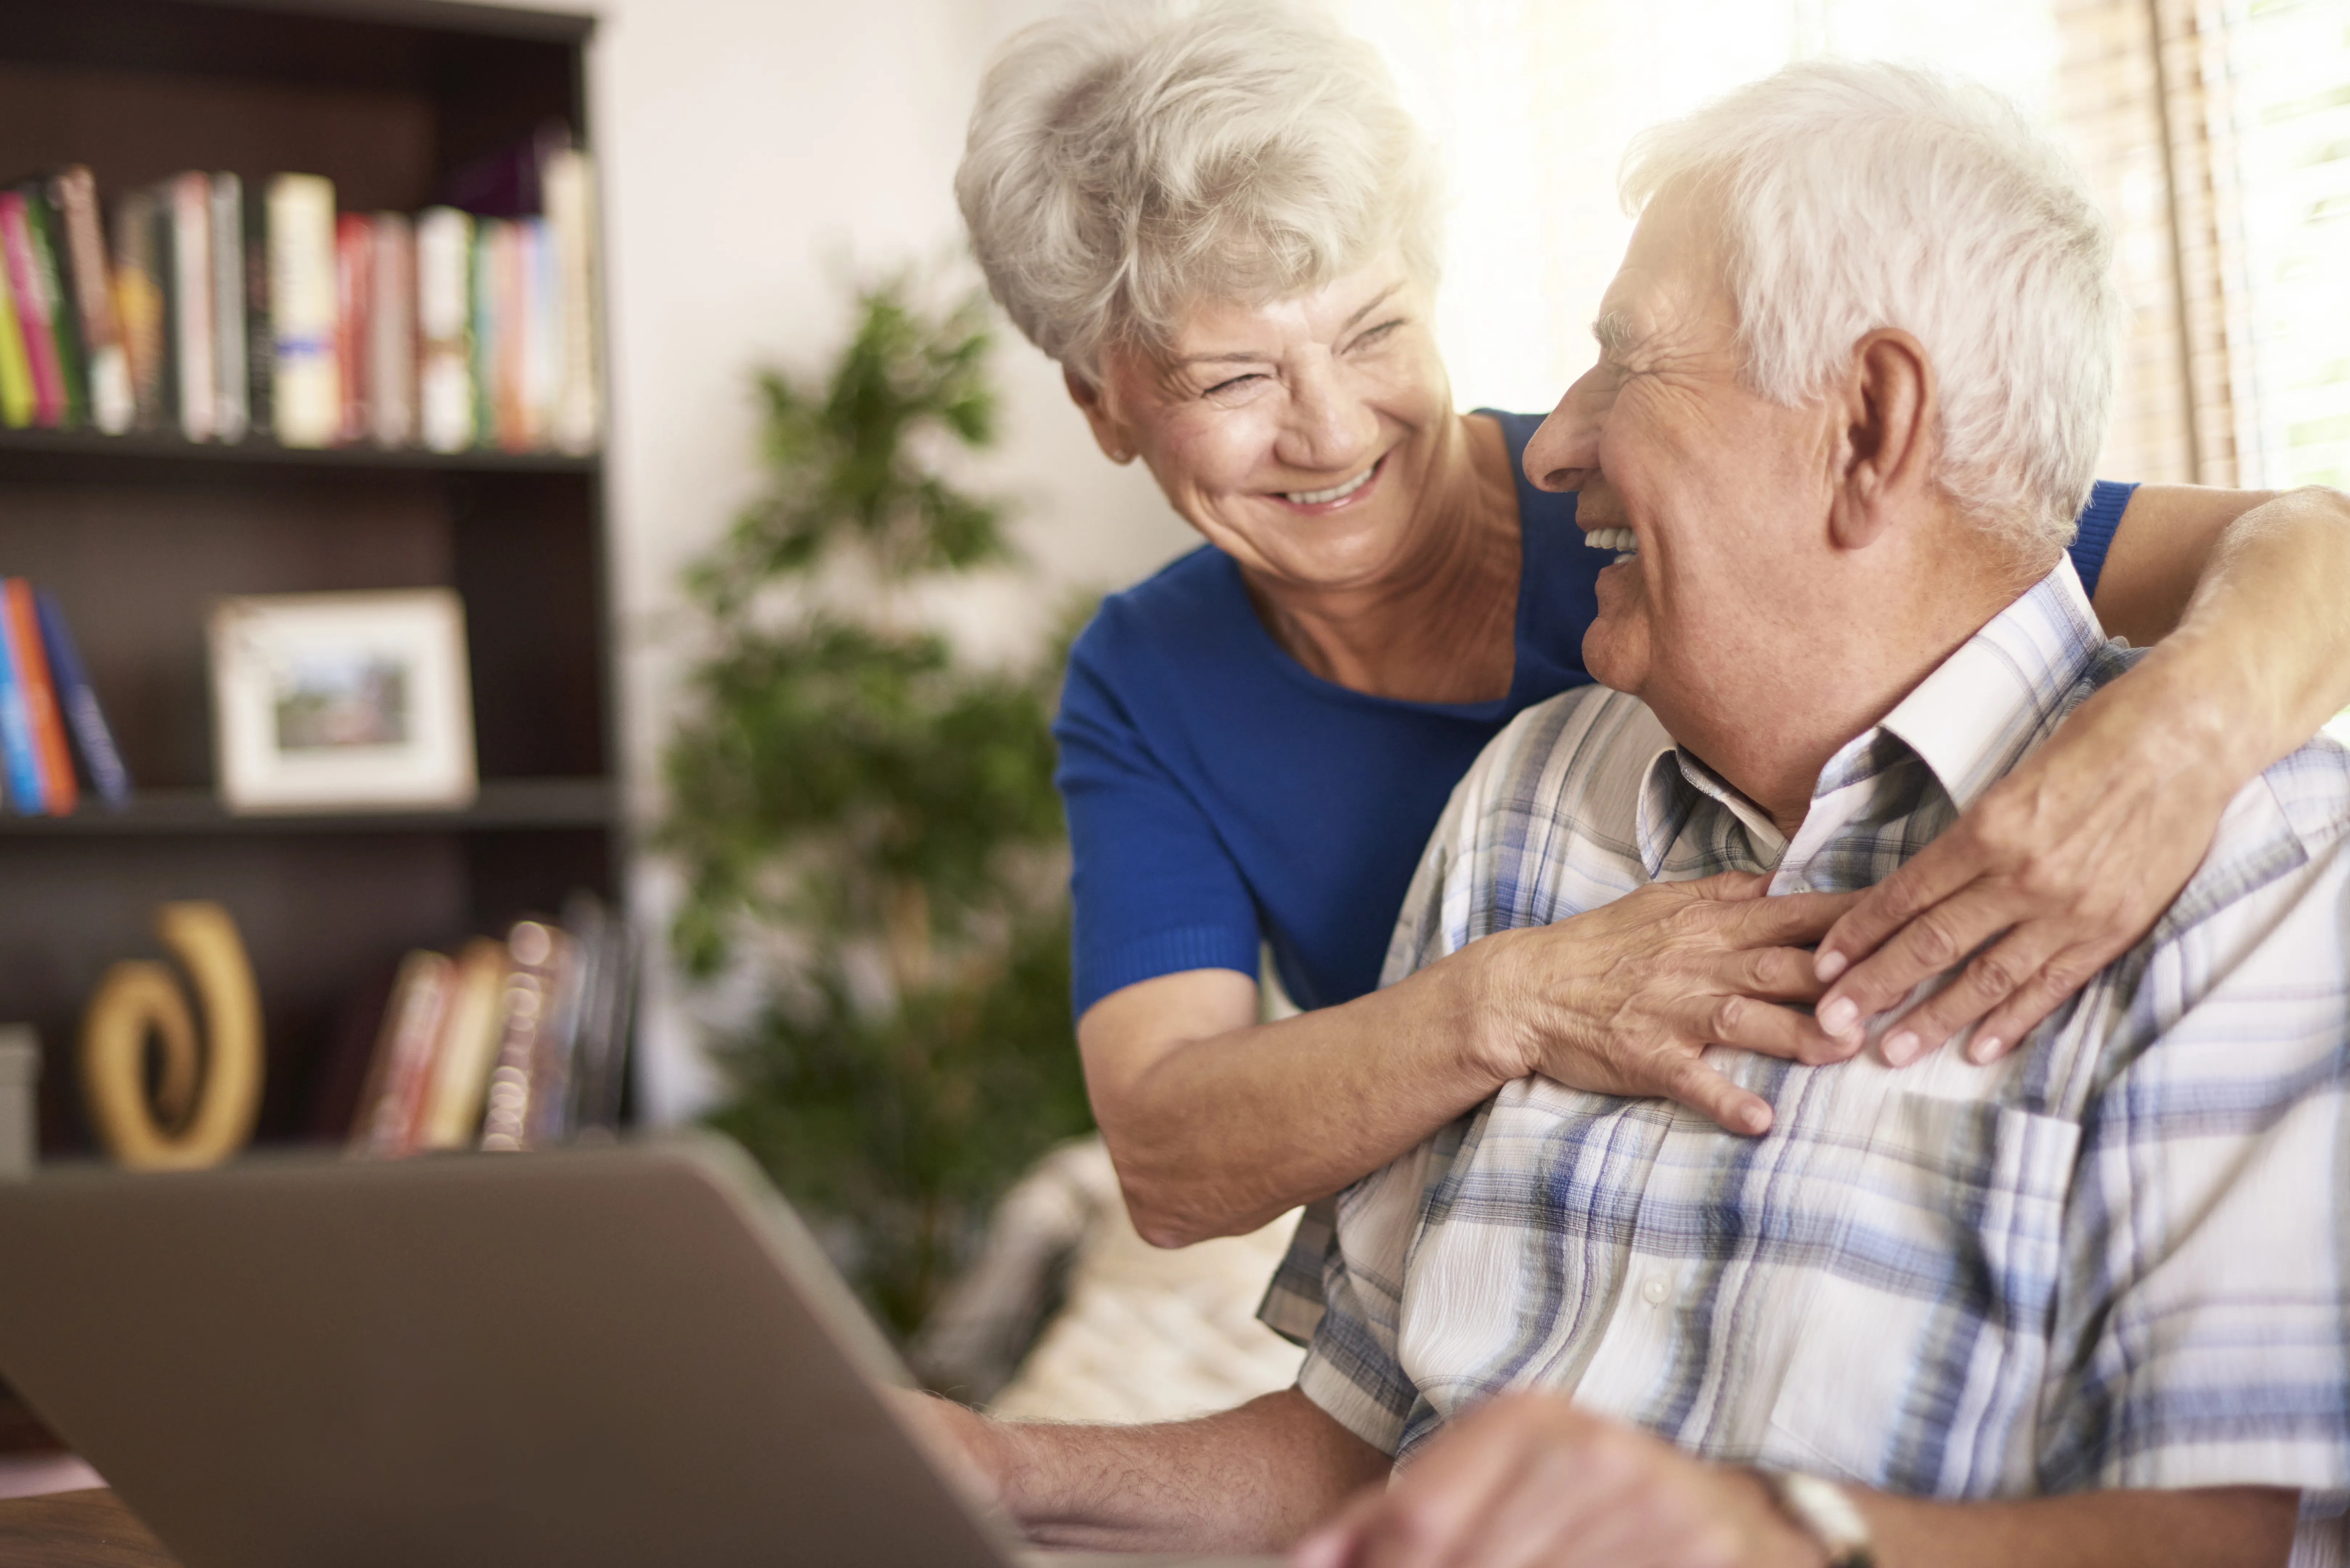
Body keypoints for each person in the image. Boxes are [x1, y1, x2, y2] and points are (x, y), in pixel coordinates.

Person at [920, 61, 2350, 1567]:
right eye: (1232, 378)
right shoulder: (1512, 793)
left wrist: (2184, 745)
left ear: (1864, 426)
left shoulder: (2239, 866)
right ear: (1103, 399)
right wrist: (989, 1466)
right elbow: (1334, 1389)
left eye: (1375, 330)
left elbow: (2211, 542)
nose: (1337, 430)